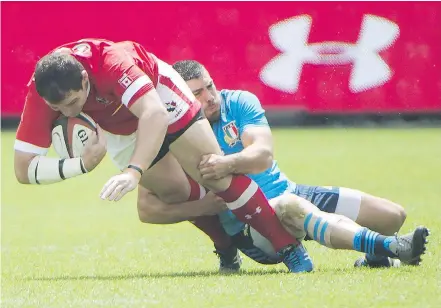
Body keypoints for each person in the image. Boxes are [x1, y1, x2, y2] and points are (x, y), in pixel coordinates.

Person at [13, 38, 310, 273]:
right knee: (176, 192)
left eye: (73, 103)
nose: (67, 114)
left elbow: (153, 113)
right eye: (59, 109)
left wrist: (133, 171)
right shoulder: (41, 92)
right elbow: (22, 171)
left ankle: (289, 248)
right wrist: (81, 164)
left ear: (83, 77)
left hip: (157, 95)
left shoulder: (112, 62)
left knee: (212, 171)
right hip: (117, 126)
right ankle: (225, 243)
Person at [136, 60, 430, 268]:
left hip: (288, 190)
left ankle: (374, 259)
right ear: (181, 98)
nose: (210, 97)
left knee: (392, 216)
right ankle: (391, 247)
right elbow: (146, 209)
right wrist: (206, 207)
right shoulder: (173, 132)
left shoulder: (238, 101)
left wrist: (226, 165)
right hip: (251, 228)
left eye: (210, 86)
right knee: (292, 207)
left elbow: (263, 154)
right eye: (197, 93)